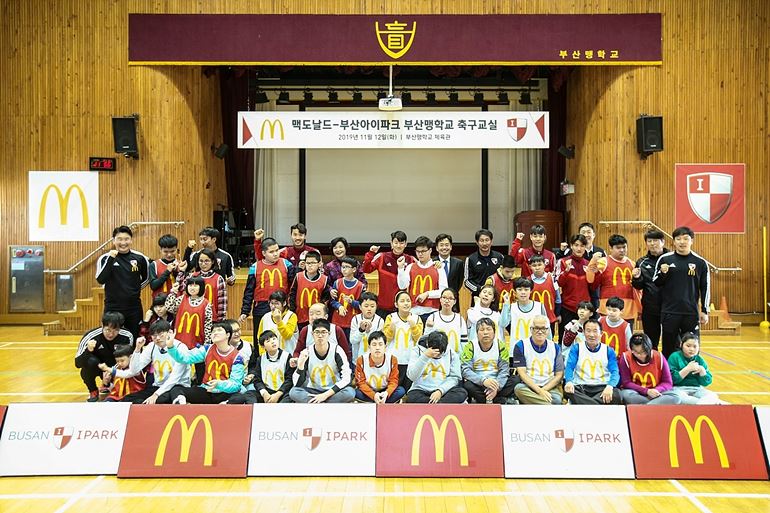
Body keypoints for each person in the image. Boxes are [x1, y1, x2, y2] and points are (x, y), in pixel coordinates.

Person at [652, 226, 710, 357]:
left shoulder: (700, 262)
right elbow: (656, 282)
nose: (682, 242)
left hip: (690, 313)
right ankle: (669, 376)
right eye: (678, 239)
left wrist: (705, 311)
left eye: (686, 238)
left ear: (692, 241)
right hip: (669, 312)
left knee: (691, 348)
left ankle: (691, 374)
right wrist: (663, 273)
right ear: (674, 241)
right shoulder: (665, 259)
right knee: (668, 347)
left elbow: (705, 288)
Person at [164, 321, 246, 404]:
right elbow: (185, 358)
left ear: (228, 335)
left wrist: (219, 384)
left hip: (225, 393)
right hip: (207, 390)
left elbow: (236, 384)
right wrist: (171, 347)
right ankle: (182, 405)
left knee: (240, 397)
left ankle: (225, 404)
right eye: (213, 331)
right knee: (177, 390)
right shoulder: (207, 349)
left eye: (219, 330)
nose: (215, 333)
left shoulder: (237, 357)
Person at [117, 320, 192, 404]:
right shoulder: (151, 346)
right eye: (154, 336)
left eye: (161, 334)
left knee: (159, 401)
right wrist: (137, 349)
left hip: (177, 387)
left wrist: (156, 394)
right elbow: (134, 370)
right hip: (158, 386)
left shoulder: (181, 348)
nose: (158, 338)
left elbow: (175, 378)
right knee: (128, 399)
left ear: (170, 332)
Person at [95, 225, 149, 340]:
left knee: (135, 339)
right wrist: (111, 259)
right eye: (119, 239)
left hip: (133, 308)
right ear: (113, 240)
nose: (123, 242)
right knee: (110, 338)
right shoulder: (105, 258)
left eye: (126, 239)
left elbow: (146, 278)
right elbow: (101, 280)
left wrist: (134, 290)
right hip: (112, 307)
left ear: (131, 240)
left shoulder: (139, 258)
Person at [289, 319, 355, 403]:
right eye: (317, 332)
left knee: (350, 392)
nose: (320, 336)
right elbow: (296, 383)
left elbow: (346, 378)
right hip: (313, 390)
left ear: (329, 334)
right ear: (312, 334)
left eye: (323, 332)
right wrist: (300, 366)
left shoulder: (337, 350)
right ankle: (323, 403)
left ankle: (316, 403)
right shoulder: (306, 352)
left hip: (332, 391)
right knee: (294, 392)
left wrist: (325, 395)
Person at [74, 312, 134, 402]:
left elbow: (128, 360)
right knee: (89, 364)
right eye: (108, 330)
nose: (111, 334)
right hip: (97, 366)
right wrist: (88, 350)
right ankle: (93, 390)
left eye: (115, 331)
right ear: (102, 325)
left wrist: (112, 371)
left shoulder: (127, 336)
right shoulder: (91, 336)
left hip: (116, 367)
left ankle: (107, 385)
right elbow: (77, 363)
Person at [563, 319, 622, 405]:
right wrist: (569, 381)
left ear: (601, 334)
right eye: (588, 331)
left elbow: (615, 372)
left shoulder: (608, 350)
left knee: (617, 394)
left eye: (595, 331)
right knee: (568, 391)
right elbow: (569, 367)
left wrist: (610, 386)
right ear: (583, 333)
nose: (591, 335)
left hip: (602, 387)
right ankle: (596, 406)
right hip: (581, 387)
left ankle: (586, 404)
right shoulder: (577, 348)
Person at [229, 330, 294, 404]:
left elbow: (289, 379)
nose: (273, 342)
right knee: (249, 394)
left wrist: (278, 394)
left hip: (282, 392)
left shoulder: (287, 356)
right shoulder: (260, 359)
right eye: (268, 341)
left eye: (274, 339)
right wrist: (264, 393)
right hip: (267, 391)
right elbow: (257, 380)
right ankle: (255, 411)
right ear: (263, 346)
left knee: (291, 396)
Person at [586, 234, 639, 325]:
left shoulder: (632, 263)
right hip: (608, 309)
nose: (622, 250)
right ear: (610, 248)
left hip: (627, 310)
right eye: (618, 248)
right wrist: (593, 262)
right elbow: (591, 281)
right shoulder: (603, 262)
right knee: (606, 337)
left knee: (626, 338)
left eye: (624, 247)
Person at [240, 237, 295, 324]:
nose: (275, 254)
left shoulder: (287, 264)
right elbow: (249, 291)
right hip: (261, 307)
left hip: (282, 306)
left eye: (277, 250)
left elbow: (294, 287)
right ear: (264, 253)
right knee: (260, 336)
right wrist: (245, 311)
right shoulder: (255, 267)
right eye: (271, 252)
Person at [511, 315, 564, 405]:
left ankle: (535, 403)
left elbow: (559, 375)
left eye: (543, 328)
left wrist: (542, 391)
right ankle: (552, 407)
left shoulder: (555, 347)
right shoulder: (520, 345)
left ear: (548, 331)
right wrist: (539, 391)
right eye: (536, 328)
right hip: (529, 387)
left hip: (549, 387)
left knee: (557, 398)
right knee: (518, 389)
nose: (540, 332)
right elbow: (522, 373)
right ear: (531, 329)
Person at [461, 318, 514, 404]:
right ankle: (498, 400)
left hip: (496, 382)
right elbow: (466, 370)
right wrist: (483, 381)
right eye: (482, 330)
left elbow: (504, 370)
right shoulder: (470, 346)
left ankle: (485, 399)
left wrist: (496, 387)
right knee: (467, 385)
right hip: (479, 383)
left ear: (494, 332)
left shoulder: (501, 346)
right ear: (477, 333)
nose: (485, 332)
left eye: (488, 329)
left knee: (515, 380)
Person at [363, 230, 415, 318]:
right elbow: (366, 269)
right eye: (396, 242)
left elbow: (423, 266)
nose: (398, 246)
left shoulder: (411, 260)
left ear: (406, 244)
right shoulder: (382, 257)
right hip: (382, 307)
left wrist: (436, 264)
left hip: (402, 308)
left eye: (401, 243)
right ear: (391, 243)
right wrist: (370, 254)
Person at [619, 333, 681, 405]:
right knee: (625, 395)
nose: (639, 355)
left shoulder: (659, 357)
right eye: (635, 352)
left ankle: (645, 406)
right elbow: (626, 383)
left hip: (657, 392)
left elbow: (668, 382)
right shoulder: (626, 357)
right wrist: (646, 391)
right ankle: (652, 405)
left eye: (643, 352)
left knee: (676, 397)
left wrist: (656, 390)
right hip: (637, 392)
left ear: (649, 349)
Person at [406, 331, 468, 404]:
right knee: (412, 397)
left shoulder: (452, 353)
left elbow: (454, 377)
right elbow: (412, 376)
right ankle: (439, 405)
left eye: (440, 353)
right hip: (421, 389)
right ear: (428, 344)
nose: (437, 356)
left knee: (461, 393)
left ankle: (434, 404)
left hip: (443, 391)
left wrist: (440, 391)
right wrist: (425, 356)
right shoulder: (417, 351)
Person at [632, 229, 668, 350]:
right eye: (649, 241)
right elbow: (639, 286)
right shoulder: (642, 262)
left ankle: (670, 367)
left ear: (663, 242)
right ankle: (653, 366)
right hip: (650, 307)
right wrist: (636, 278)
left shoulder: (672, 259)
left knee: (672, 340)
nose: (652, 243)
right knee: (651, 342)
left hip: (670, 307)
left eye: (656, 240)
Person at [397, 236, 447, 323]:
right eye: (418, 251)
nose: (420, 254)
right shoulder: (410, 267)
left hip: (431, 312)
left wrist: (427, 294)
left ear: (430, 250)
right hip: (413, 311)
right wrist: (400, 268)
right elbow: (402, 286)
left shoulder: (438, 267)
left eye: (423, 251)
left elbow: (443, 291)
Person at [555, 234, 594, 342]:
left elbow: (593, 287)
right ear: (571, 246)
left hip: (585, 310)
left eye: (582, 246)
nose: (579, 248)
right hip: (567, 308)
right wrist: (566, 271)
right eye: (576, 245)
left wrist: (595, 273)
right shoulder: (562, 262)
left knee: (586, 339)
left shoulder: (588, 264)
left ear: (585, 247)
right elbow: (559, 283)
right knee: (565, 340)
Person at [382, 291, 424, 389]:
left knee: (408, 387)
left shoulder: (417, 318)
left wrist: (413, 325)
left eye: (408, 301)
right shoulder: (391, 317)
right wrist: (391, 328)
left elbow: (418, 339)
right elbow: (386, 339)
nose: (406, 303)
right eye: (402, 301)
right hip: (394, 359)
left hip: (411, 359)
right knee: (394, 387)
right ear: (396, 304)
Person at [668, 333, 723, 404]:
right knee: (680, 399)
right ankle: (711, 404)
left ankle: (704, 404)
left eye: (695, 346)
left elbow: (706, 383)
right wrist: (687, 369)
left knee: (713, 395)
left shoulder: (699, 359)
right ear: (681, 344)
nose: (691, 349)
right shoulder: (674, 357)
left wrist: (703, 372)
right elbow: (672, 380)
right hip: (679, 389)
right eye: (688, 346)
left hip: (697, 389)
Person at [354, 330, 405, 403]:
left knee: (401, 391)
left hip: (385, 390)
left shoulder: (392, 359)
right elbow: (361, 383)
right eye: (374, 344)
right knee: (356, 393)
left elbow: (394, 381)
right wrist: (373, 395)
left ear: (385, 347)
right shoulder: (361, 360)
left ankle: (378, 401)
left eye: (380, 344)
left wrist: (387, 393)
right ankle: (383, 401)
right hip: (369, 391)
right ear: (369, 347)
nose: (377, 348)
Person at [178, 248, 227, 322]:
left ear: (213, 261)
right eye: (201, 261)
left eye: (206, 261)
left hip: (212, 319)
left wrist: (220, 321)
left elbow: (222, 303)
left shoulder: (218, 279)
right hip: (194, 317)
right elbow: (181, 287)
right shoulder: (192, 276)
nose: (203, 264)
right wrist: (181, 271)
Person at [164, 275, 213, 350]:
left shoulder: (206, 304)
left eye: (196, 285)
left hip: (197, 343)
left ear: (202, 287)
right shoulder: (182, 299)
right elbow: (169, 307)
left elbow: (208, 326)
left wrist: (206, 344)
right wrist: (173, 292)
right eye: (190, 285)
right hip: (179, 341)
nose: (192, 288)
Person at [288, 250, 331, 331]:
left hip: (316, 318)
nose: (310, 265)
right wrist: (293, 312)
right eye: (308, 263)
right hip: (299, 316)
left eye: (313, 263)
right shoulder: (298, 276)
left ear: (319, 264)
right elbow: (292, 295)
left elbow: (325, 299)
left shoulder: (324, 279)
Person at [502, 277, 549, 342]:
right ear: (515, 292)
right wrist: (506, 305)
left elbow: (547, 327)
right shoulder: (511, 307)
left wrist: (549, 344)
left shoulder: (539, 306)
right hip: (517, 347)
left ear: (531, 291)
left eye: (526, 289)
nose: (523, 292)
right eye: (520, 289)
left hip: (535, 346)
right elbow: (503, 324)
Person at [330, 256, 366, 341]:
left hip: (352, 322)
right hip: (338, 321)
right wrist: (339, 306)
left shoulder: (360, 286)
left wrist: (351, 301)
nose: (344, 269)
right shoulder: (337, 283)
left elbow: (362, 305)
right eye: (342, 267)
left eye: (347, 267)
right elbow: (332, 301)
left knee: (350, 346)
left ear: (354, 269)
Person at [253, 223, 319, 269]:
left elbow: (321, 271)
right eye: (295, 235)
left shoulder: (314, 252)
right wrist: (257, 240)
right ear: (291, 235)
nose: (297, 237)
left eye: (300, 235)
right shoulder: (285, 252)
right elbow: (263, 259)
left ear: (305, 236)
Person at [424, 288, 468, 354]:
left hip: (455, 359)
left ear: (455, 301)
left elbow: (464, 342)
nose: (447, 301)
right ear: (440, 299)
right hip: (437, 359)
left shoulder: (460, 319)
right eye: (444, 297)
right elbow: (425, 339)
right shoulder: (432, 317)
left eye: (450, 298)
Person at [463, 229, 505, 298]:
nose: (484, 243)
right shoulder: (470, 259)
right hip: (478, 296)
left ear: (491, 241)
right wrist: (480, 289)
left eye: (487, 240)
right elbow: (467, 281)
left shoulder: (499, 257)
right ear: (477, 242)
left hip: (496, 296)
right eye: (481, 240)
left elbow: (505, 276)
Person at [256, 290, 299, 356]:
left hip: (288, 355)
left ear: (284, 303)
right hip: (270, 357)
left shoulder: (291, 316)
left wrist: (279, 321)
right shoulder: (265, 317)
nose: (273, 306)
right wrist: (263, 354)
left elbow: (287, 336)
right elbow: (260, 338)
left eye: (276, 303)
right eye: (271, 303)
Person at [529, 254, 561, 334]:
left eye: (539, 264)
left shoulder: (552, 279)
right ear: (530, 267)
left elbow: (558, 298)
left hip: (550, 318)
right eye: (534, 265)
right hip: (533, 319)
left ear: (544, 265)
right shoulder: (528, 281)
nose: (537, 267)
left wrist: (557, 314)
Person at [349, 291, 385, 363]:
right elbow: (352, 340)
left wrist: (369, 332)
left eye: (372, 306)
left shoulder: (379, 321)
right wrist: (361, 330)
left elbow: (378, 342)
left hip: (373, 359)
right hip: (358, 359)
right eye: (366, 306)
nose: (369, 309)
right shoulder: (356, 319)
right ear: (360, 307)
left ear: (376, 307)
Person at [434, 233, 464, 306]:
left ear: (451, 247)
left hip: (453, 301)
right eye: (441, 245)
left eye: (447, 245)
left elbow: (459, 283)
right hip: (436, 301)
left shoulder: (458, 263)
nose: (444, 247)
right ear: (437, 248)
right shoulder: (432, 263)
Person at [148, 234, 180, 300]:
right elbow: (153, 286)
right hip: (159, 305)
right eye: (165, 251)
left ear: (176, 249)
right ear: (160, 250)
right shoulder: (154, 265)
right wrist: (167, 271)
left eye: (172, 251)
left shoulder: (181, 264)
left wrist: (177, 272)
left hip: (177, 302)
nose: (169, 254)